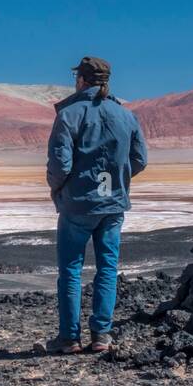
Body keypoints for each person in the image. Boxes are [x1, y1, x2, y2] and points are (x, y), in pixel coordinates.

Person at [43, 56, 148, 354]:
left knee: (71, 271)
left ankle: (69, 339)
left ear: (81, 80)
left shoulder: (69, 115)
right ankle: (101, 336)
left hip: (77, 206)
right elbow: (140, 159)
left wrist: (59, 189)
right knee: (107, 269)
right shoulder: (126, 116)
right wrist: (118, 180)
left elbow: (60, 165)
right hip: (112, 207)